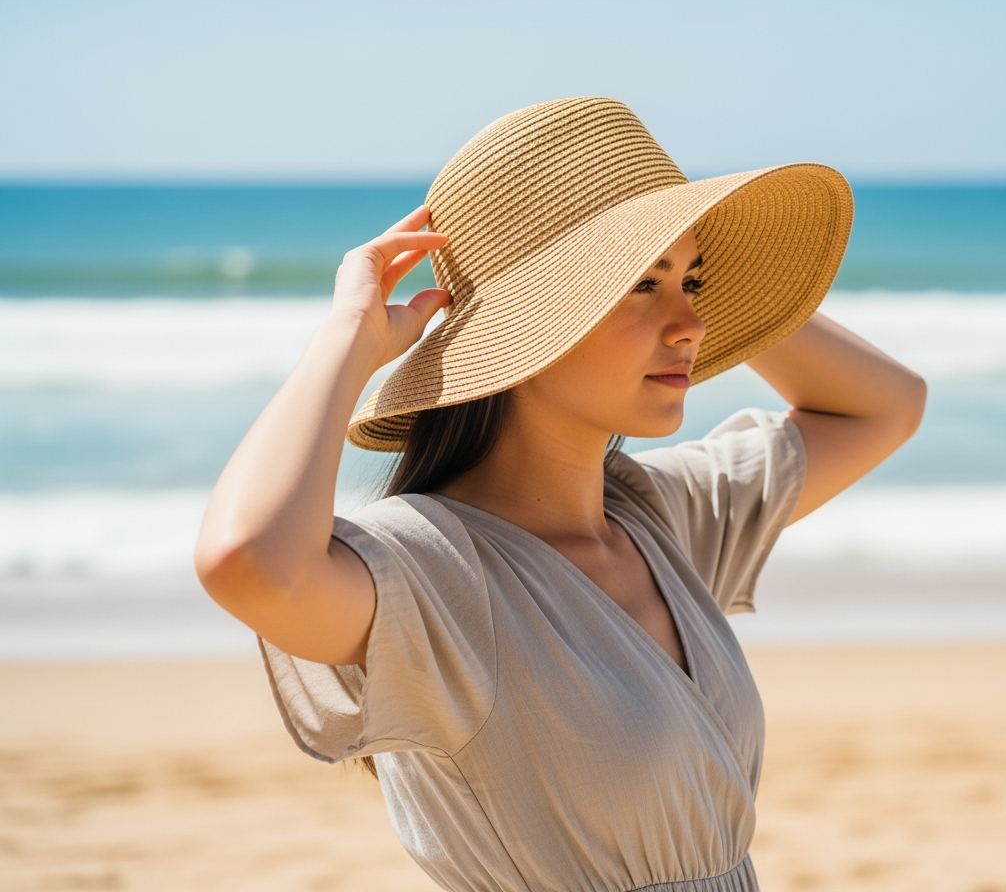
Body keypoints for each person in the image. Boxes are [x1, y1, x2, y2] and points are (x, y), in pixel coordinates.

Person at [194, 96, 926, 891]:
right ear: (533, 323)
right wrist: (347, 342)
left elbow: (885, 405)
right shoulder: (441, 575)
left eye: (695, 282)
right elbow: (248, 562)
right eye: (642, 285)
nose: (692, 325)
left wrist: (729, 284)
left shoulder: (656, 521)